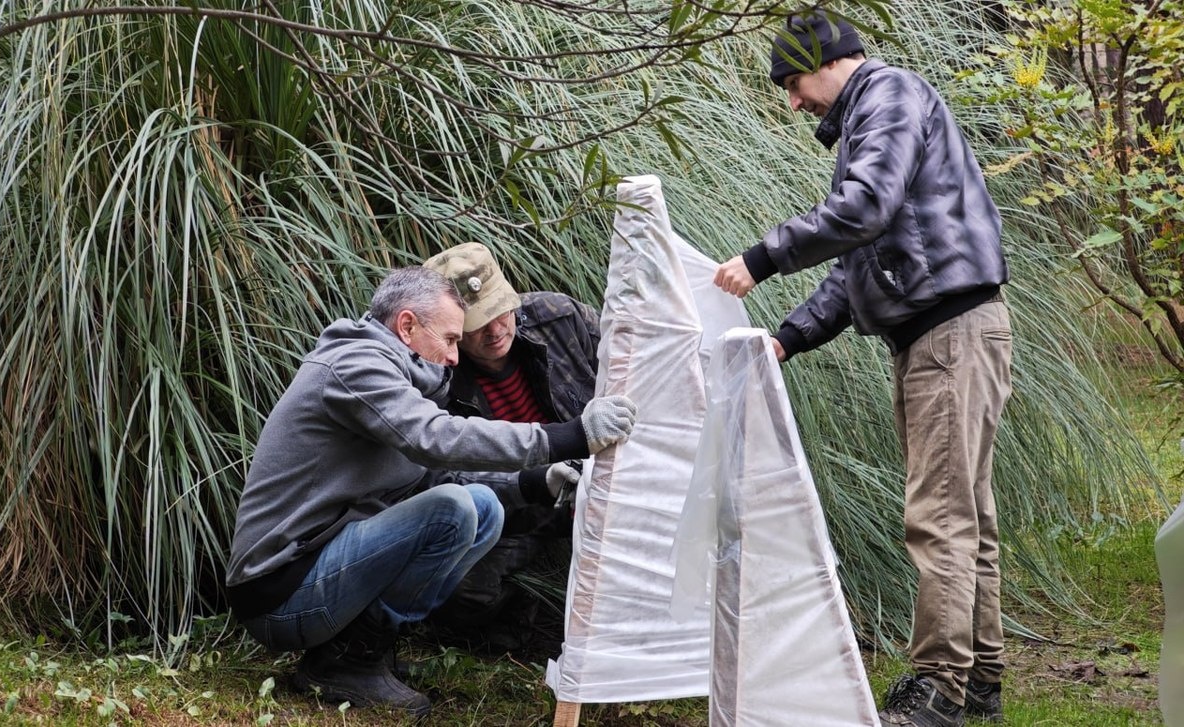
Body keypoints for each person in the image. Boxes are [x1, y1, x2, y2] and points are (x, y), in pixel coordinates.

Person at [713, 12, 1012, 727]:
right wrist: (786, 339)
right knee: (966, 514)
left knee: (939, 516)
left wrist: (762, 258)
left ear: (829, 61)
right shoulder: (875, 118)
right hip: (943, 332)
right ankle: (978, 683)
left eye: (791, 82)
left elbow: (863, 208)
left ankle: (938, 688)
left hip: (950, 333)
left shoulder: (888, 96)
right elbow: (858, 265)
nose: (792, 103)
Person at [224, 266, 636, 716]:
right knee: (454, 510)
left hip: (324, 568)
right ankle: (345, 664)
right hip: (280, 592)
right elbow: (435, 438)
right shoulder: (355, 366)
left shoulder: (403, 379)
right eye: (452, 339)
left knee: (482, 507)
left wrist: (536, 481)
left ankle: (359, 651)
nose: (457, 357)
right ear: (407, 325)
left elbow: (434, 478)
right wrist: (567, 436)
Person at [421, 242, 600, 652]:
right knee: (460, 592)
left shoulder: (560, 317)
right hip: (520, 505)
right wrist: (534, 483)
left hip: (606, 480)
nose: (497, 328)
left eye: (500, 309)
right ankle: (537, 618)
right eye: (477, 322)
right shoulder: (435, 376)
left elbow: (635, 363)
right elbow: (441, 471)